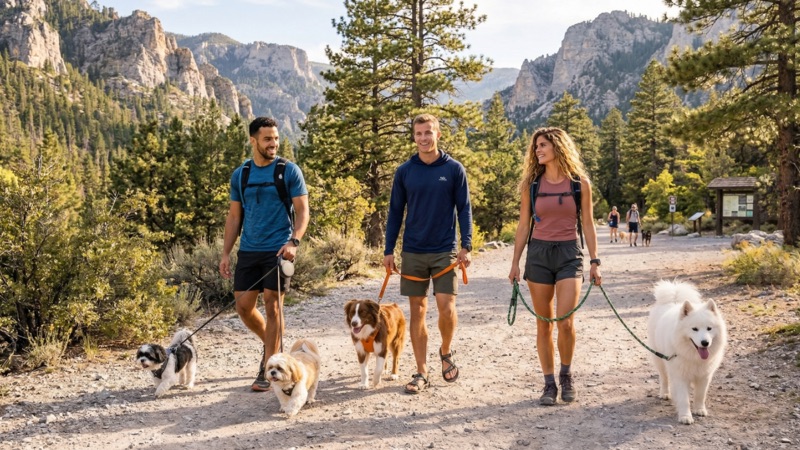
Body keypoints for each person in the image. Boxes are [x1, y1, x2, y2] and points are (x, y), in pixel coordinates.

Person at [508, 127, 602, 406]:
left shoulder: (580, 184)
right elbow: (524, 224)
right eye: (536, 146)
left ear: (558, 147)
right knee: (543, 324)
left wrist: (595, 261)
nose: (537, 150)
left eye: (543, 145)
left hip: (569, 254)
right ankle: (548, 384)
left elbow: (587, 222)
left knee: (566, 321)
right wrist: (515, 262)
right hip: (537, 254)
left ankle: (566, 375)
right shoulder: (531, 185)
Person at [384, 113, 473, 395]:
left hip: (445, 250)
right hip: (413, 250)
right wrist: (389, 250)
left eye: (429, 132)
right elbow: (395, 212)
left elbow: (465, 209)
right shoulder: (405, 171)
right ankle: (421, 372)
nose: (424, 138)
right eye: (419, 133)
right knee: (417, 311)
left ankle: (445, 351)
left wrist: (466, 245)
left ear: (438, 134)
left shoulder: (454, 169)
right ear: (414, 136)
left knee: (447, 308)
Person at [219, 117, 309, 392]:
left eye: (276, 139)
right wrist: (225, 253)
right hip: (249, 249)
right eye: (267, 139)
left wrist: (294, 241)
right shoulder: (241, 175)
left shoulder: (288, 171)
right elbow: (235, 217)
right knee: (243, 307)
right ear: (253, 141)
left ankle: (269, 363)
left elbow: (303, 211)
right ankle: (272, 348)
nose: (273, 144)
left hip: (278, 249)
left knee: (273, 306)